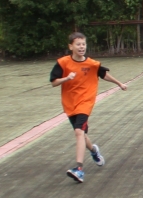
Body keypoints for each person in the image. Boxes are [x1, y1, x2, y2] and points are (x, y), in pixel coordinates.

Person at [50, 32, 128, 183]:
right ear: (70, 46)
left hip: (85, 102)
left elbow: (103, 74)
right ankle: (94, 151)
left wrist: (119, 83)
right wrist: (66, 78)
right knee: (81, 134)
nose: (81, 47)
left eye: (83, 44)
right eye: (78, 44)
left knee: (79, 132)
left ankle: (79, 169)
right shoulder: (63, 63)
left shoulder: (92, 64)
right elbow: (54, 82)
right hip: (70, 103)